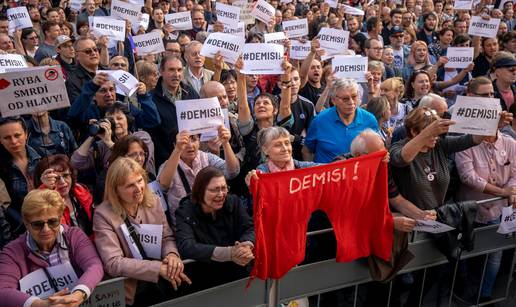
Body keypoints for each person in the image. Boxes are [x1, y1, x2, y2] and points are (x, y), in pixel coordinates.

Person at [93, 158, 191, 306]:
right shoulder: (103, 215)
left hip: (162, 281)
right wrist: (158, 269)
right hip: (133, 291)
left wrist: (171, 255)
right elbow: (113, 263)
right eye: (130, 185)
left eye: (140, 181)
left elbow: (167, 238)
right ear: (116, 190)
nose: (138, 188)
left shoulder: (153, 201)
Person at [0, 189, 103, 306]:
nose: (46, 229)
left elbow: (94, 265)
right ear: (26, 223)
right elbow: (3, 290)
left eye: (53, 222)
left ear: (60, 218)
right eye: (37, 224)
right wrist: (41, 304)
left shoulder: (74, 235)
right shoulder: (12, 251)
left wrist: (78, 295)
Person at [455, 130, 516, 302]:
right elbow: (468, 176)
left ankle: (484, 294)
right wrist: (502, 192)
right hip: (470, 210)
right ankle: (461, 286)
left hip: (498, 210)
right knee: (463, 251)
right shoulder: (466, 142)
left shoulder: (510, 143)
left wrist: (512, 191)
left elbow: (515, 175)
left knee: (494, 254)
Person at [389, 107, 488, 211]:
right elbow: (402, 158)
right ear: (414, 131)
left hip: (436, 218)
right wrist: (427, 133)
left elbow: (471, 140)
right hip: (409, 218)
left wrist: (492, 125)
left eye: (437, 132)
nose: (436, 136)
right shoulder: (397, 148)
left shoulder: (439, 144)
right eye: (432, 132)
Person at [175, 166, 254, 290]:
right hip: (204, 279)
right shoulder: (185, 211)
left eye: (224, 188)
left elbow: (250, 228)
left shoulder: (233, 202)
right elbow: (186, 246)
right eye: (215, 190)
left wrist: (245, 246)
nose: (221, 194)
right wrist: (229, 253)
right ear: (200, 191)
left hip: (237, 273)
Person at [157, 125, 240, 225]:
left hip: (212, 224)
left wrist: (226, 143)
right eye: (185, 141)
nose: (190, 145)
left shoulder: (207, 158)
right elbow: (162, 186)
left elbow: (233, 172)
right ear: (175, 144)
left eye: (194, 139)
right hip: (184, 227)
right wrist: (178, 150)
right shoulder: (167, 166)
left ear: (199, 142)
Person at [303, 78, 379, 163]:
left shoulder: (369, 120)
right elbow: (307, 151)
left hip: (358, 174)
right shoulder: (320, 120)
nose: (351, 102)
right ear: (334, 100)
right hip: (328, 174)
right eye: (345, 99)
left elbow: (377, 151)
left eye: (354, 97)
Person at [150, 55, 200, 168]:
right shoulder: (152, 98)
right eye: (171, 70)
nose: (176, 74)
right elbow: (153, 134)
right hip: (165, 161)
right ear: (161, 72)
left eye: (179, 70)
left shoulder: (191, 93)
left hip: (190, 158)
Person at [34, 155, 94, 236]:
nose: (62, 182)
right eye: (56, 178)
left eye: (66, 175)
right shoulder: (40, 202)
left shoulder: (80, 190)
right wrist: (45, 189)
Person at [0, 117, 41, 235]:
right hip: (20, 230)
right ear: (0, 140)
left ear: (26, 134)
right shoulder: (2, 168)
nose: (13, 141)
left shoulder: (42, 158)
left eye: (17, 135)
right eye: (7, 138)